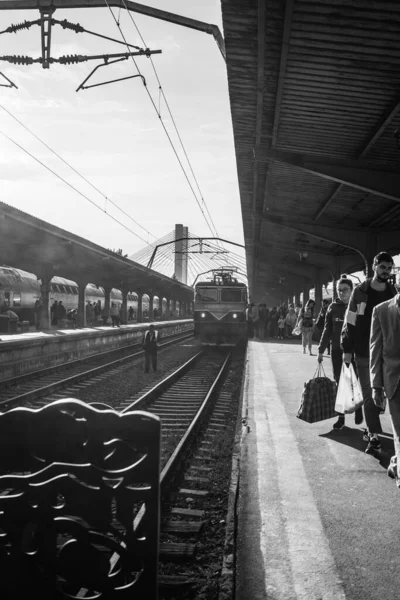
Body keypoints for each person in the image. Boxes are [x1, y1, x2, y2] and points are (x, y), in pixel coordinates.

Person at [341, 251, 397, 454]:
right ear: (374, 266)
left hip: (388, 353)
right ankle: (374, 436)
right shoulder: (360, 292)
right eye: (383, 267)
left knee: (389, 394)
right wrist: (347, 347)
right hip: (364, 350)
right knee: (369, 393)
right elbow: (350, 321)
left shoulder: (393, 292)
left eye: (389, 268)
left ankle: (375, 424)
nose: (386, 271)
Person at [317, 277, 363, 430]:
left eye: (345, 290)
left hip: (355, 351)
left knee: (356, 381)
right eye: (339, 290)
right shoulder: (332, 308)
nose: (342, 293)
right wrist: (321, 350)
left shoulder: (358, 306)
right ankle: (341, 417)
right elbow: (327, 330)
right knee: (339, 383)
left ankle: (358, 408)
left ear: (352, 290)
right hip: (337, 351)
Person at [370, 287, 400, 485]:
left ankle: (396, 465)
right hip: (394, 379)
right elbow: (376, 348)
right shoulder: (381, 310)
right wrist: (376, 385)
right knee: (399, 428)